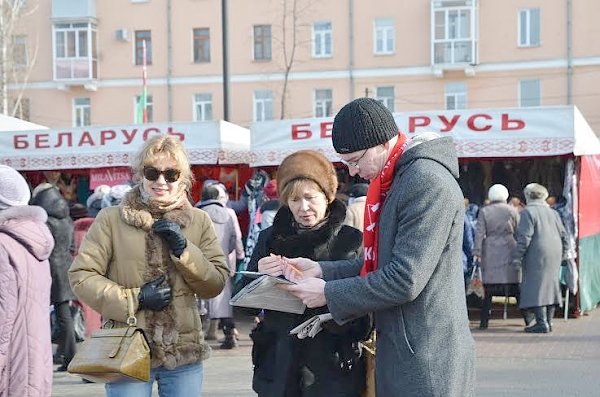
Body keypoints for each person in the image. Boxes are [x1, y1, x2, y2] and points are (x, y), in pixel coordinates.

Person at [271, 98, 475, 396]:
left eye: (354, 160)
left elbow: (405, 279)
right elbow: (380, 261)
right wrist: (322, 270)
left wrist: (326, 292)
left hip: (427, 356)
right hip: (409, 349)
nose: (352, 172)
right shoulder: (400, 179)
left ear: (381, 143)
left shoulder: (425, 182)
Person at [69, 135, 230, 397]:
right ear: (140, 174)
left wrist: (184, 250)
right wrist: (135, 298)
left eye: (171, 174)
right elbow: (82, 276)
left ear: (183, 177)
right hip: (127, 347)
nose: (161, 181)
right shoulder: (111, 219)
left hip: (183, 351)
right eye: (152, 172)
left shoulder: (198, 221)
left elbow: (216, 283)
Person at [244, 149, 370, 396]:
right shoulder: (269, 239)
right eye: (294, 200)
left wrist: (329, 311)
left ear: (327, 196)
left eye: (311, 197)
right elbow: (243, 306)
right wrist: (258, 277)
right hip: (277, 366)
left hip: (332, 368)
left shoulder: (350, 241)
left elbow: (364, 314)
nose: (303, 208)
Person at [0, 165, 54, 396]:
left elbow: (2, 318)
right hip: (33, 364)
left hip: (11, 368)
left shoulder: (3, 245)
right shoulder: (33, 239)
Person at [30, 183, 77, 372]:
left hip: (51, 270)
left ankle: (70, 358)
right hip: (66, 267)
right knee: (64, 315)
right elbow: (72, 246)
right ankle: (67, 356)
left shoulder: (45, 221)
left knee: (61, 316)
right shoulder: (66, 217)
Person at [511, 183, 568, 333]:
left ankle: (542, 322)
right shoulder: (553, 212)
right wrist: (564, 253)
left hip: (537, 253)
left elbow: (524, 237)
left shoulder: (528, 212)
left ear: (528, 196)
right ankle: (549, 321)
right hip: (555, 251)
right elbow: (564, 234)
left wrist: (517, 257)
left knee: (536, 286)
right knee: (551, 285)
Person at [196, 184, 239, 349]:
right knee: (224, 300)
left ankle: (198, 338)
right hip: (222, 261)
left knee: (201, 300)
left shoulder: (197, 213)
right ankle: (229, 334)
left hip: (200, 261)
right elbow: (234, 238)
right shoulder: (228, 214)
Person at [472, 184, 521, 329]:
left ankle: (484, 321)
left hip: (491, 249)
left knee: (488, 289)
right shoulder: (513, 210)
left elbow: (479, 233)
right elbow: (519, 231)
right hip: (510, 247)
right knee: (514, 285)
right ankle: (527, 318)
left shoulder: (484, 211)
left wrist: (477, 252)